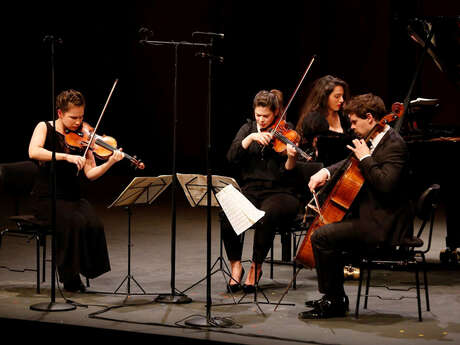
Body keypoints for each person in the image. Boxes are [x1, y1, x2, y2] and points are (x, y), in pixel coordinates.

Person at [298, 93, 414, 319]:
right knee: (328, 233)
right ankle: (334, 296)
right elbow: (349, 162)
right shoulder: (376, 138)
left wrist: (366, 158)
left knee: (322, 236)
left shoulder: (395, 145)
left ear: (370, 118)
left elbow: (386, 185)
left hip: (384, 225)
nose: (351, 127)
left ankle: (334, 301)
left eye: (354, 122)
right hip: (370, 216)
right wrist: (325, 172)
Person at [28, 89, 124, 292]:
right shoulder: (44, 127)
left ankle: (87, 269)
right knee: (74, 222)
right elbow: (33, 151)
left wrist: (110, 163)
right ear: (61, 113)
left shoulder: (84, 136)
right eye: (73, 117)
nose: (78, 122)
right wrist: (66, 156)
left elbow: (90, 173)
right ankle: (70, 278)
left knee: (94, 223)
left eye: (81, 116)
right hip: (47, 197)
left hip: (72, 196)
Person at [221, 90, 300, 293]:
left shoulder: (287, 131)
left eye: (266, 116)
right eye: (258, 115)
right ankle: (236, 266)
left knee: (267, 215)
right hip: (251, 189)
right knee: (227, 211)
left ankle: (256, 267)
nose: (262, 120)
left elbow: (288, 172)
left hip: (280, 192)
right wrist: (250, 139)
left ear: (275, 113)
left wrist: (291, 157)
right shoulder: (247, 129)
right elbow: (231, 158)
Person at [296, 75, 353, 166]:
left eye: (342, 96)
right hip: (320, 170)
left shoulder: (344, 117)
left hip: (345, 168)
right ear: (325, 97)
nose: (342, 100)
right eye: (337, 96)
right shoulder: (313, 120)